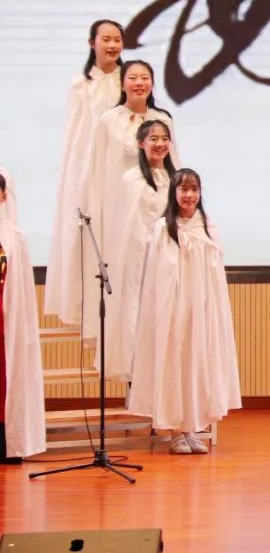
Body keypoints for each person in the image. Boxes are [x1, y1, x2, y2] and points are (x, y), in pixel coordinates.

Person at [128, 169, 241, 455]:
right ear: (174, 193)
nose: (189, 195)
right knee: (175, 366)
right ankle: (175, 432)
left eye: (194, 189)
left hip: (200, 310)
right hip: (172, 309)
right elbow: (156, 277)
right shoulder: (162, 228)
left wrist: (208, 306)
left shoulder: (207, 227)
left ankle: (191, 429)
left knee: (196, 365)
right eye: (184, 189)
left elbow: (214, 275)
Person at [80, 60, 178, 353]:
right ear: (122, 83)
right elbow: (96, 173)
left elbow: (174, 165)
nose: (139, 83)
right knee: (128, 283)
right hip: (121, 216)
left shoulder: (163, 119)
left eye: (145, 78)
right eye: (133, 78)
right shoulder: (108, 120)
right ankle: (126, 355)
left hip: (157, 211)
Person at [45, 20, 125, 326]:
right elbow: (74, 134)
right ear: (92, 43)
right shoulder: (81, 83)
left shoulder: (129, 79)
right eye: (106, 39)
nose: (112, 45)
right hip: (88, 167)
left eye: (117, 39)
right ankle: (87, 311)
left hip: (121, 168)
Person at [102, 120, 177, 380]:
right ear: (140, 143)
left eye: (164, 138)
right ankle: (138, 372)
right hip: (138, 257)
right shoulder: (130, 179)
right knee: (137, 309)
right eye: (153, 139)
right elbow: (124, 225)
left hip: (169, 258)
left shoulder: (175, 178)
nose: (160, 143)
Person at [0, 170, 47, 463]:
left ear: (4, 196)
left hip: (6, 322)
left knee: (6, 383)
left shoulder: (14, 237)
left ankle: (7, 444)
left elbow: (23, 290)